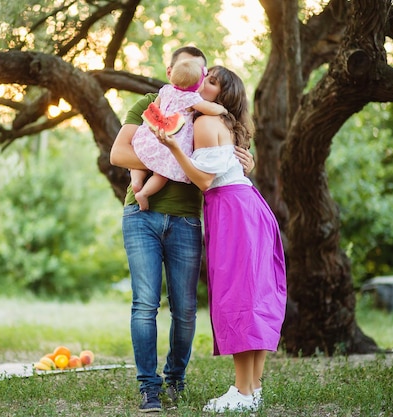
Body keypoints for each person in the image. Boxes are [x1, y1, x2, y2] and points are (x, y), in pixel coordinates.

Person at [109, 47, 255, 413]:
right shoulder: (151, 100)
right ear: (169, 68)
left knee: (186, 309)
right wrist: (168, 155)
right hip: (140, 216)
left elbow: (221, 159)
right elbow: (118, 154)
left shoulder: (203, 110)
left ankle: (175, 379)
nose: (198, 79)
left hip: (187, 217)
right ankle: (149, 388)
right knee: (145, 304)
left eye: (205, 73)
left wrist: (246, 158)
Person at [155, 65, 287, 413]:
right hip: (249, 208)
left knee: (238, 298)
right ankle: (253, 388)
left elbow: (204, 181)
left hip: (232, 210)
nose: (203, 84)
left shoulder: (202, 123)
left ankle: (242, 394)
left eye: (211, 82)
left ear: (222, 95)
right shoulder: (228, 124)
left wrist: (172, 147)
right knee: (253, 297)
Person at [131, 58, 227, 211]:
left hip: (151, 134)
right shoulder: (191, 98)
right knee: (161, 174)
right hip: (169, 141)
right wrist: (221, 110)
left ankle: (136, 181)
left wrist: (154, 121)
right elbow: (210, 109)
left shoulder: (166, 89)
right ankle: (144, 193)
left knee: (141, 155)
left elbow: (154, 108)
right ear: (197, 85)